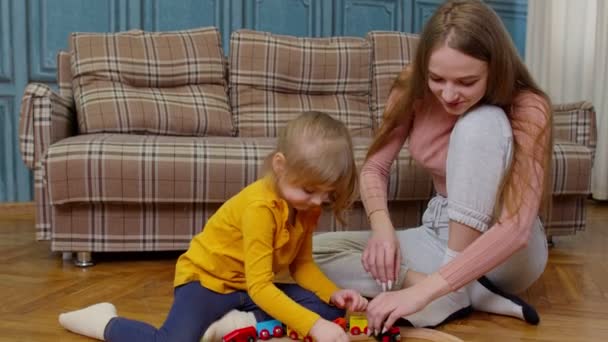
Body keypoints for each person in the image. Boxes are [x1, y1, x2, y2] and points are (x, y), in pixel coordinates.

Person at [312, 0, 552, 335]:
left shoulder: (529, 106)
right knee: (309, 254)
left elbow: (515, 228)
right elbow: (374, 168)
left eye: (467, 82)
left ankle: (447, 289)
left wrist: (421, 295)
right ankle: (464, 291)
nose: (449, 95)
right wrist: (383, 231)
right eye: (437, 78)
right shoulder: (411, 87)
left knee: (478, 121)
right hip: (438, 231)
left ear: (495, 69)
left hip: (505, 248)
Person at [58, 111, 368, 342]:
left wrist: (334, 294)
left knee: (329, 310)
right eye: (310, 191)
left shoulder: (306, 207)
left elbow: (302, 266)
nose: (318, 202)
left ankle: (232, 324)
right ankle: (105, 322)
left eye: (327, 194)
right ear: (280, 167)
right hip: (206, 283)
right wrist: (312, 327)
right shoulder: (260, 207)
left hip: (246, 288)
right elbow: (262, 286)